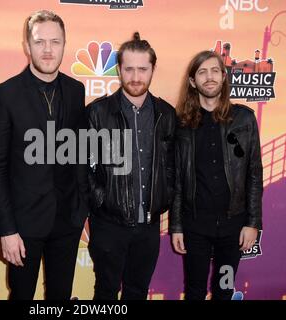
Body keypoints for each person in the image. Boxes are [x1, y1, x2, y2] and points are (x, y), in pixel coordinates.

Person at [0, 10, 89, 300]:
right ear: (26, 46)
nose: (47, 50)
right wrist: (6, 229)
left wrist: (82, 208)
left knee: (60, 297)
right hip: (22, 225)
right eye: (40, 41)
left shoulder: (75, 90)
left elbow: (78, 153)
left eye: (55, 42)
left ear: (64, 44)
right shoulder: (5, 94)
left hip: (67, 221)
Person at [87, 32, 176, 300]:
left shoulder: (167, 114)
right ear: (119, 70)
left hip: (149, 226)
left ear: (152, 69)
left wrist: (166, 196)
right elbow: (83, 166)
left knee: (137, 292)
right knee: (105, 291)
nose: (135, 77)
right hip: (108, 225)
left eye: (142, 69)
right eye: (129, 69)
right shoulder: (98, 112)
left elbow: (173, 165)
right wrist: (102, 200)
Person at [169, 50, 263, 300]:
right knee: (194, 291)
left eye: (214, 70)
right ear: (192, 81)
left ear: (223, 76)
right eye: (202, 72)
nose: (208, 77)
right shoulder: (182, 124)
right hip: (195, 225)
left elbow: (254, 174)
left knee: (224, 289)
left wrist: (253, 223)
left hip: (233, 227)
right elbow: (178, 179)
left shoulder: (243, 119)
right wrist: (177, 226)